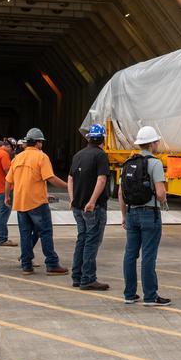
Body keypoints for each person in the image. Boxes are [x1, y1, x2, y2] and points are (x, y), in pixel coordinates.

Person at [5, 128, 68, 275]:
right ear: (38, 143)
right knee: (45, 232)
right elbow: (50, 178)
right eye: (41, 142)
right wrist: (68, 186)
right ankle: (52, 264)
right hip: (37, 203)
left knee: (25, 234)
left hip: (20, 202)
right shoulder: (41, 157)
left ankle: (27, 266)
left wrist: (7, 197)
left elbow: (8, 180)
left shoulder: (17, 158)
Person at [119, 125, 170, 306]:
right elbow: (161, 193)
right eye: (156, 141)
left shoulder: (127, 164)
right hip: (150, 214)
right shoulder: (155, 163)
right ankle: (150, 296)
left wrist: (124, 215)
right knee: (148, 255)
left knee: (130, 254)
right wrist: (162, 200)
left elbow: (121, 193)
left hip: (132, 213)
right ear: (152, 144)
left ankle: (129, 294)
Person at [68, 123, 112, 291]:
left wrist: (72, 199)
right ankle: (88, 278)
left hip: (78, 206)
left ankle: (77, 276)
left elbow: (70, 178)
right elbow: (102, 179)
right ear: (102, 139)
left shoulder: (78, 155)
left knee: (82, 239)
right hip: (93, 208)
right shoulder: (100, 156)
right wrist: (92, 201)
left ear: (88, 138)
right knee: (92, 241)